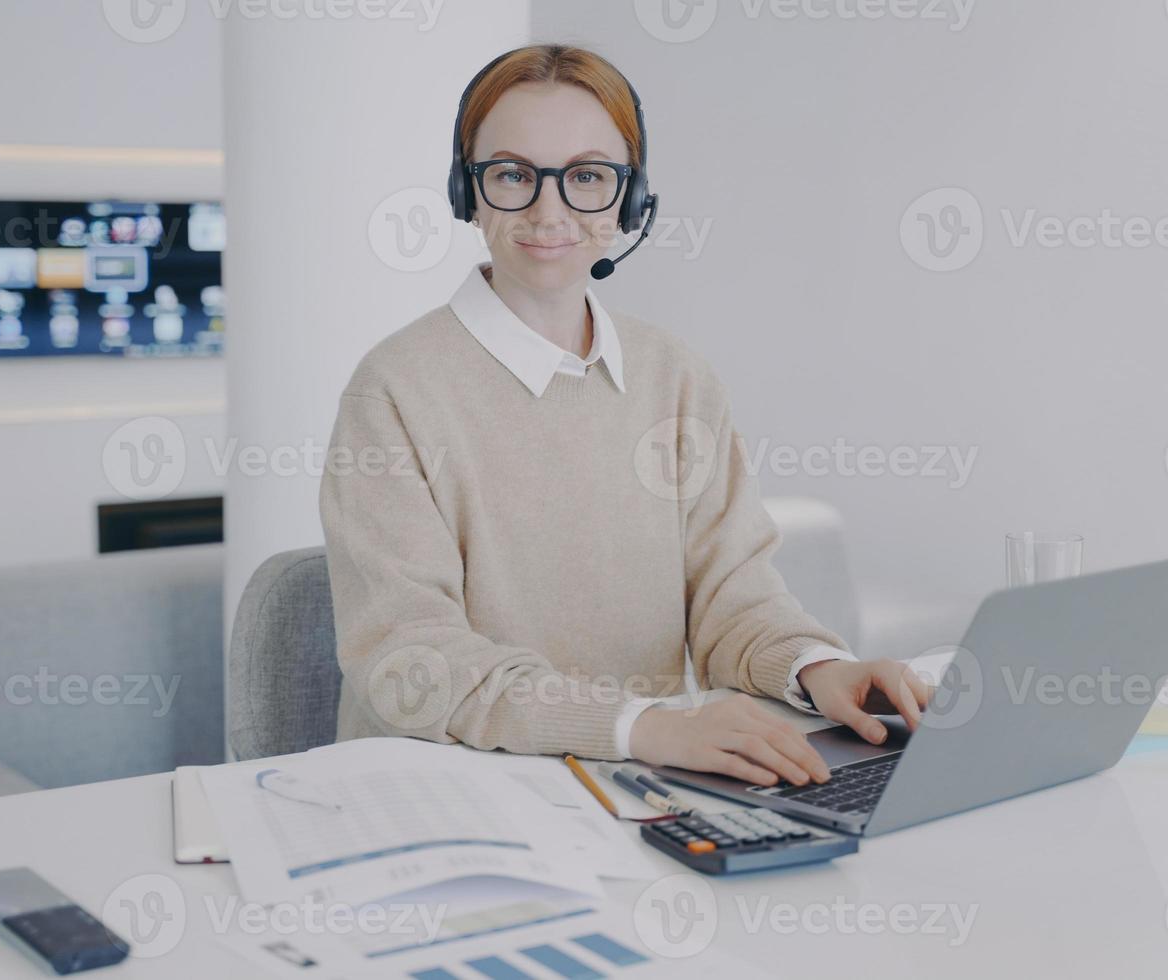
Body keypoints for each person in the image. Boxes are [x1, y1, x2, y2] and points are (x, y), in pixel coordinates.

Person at [319, 43, 929, 788]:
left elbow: (733, 599)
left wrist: (819, 668)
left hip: (640, 784)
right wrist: (639, 727)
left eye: (586, 177)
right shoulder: (394, 390)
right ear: (467, 192)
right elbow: (414, 659)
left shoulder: (674, 376)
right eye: (512, 174)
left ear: (631, 199)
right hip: (453, 795)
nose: (550, 211)